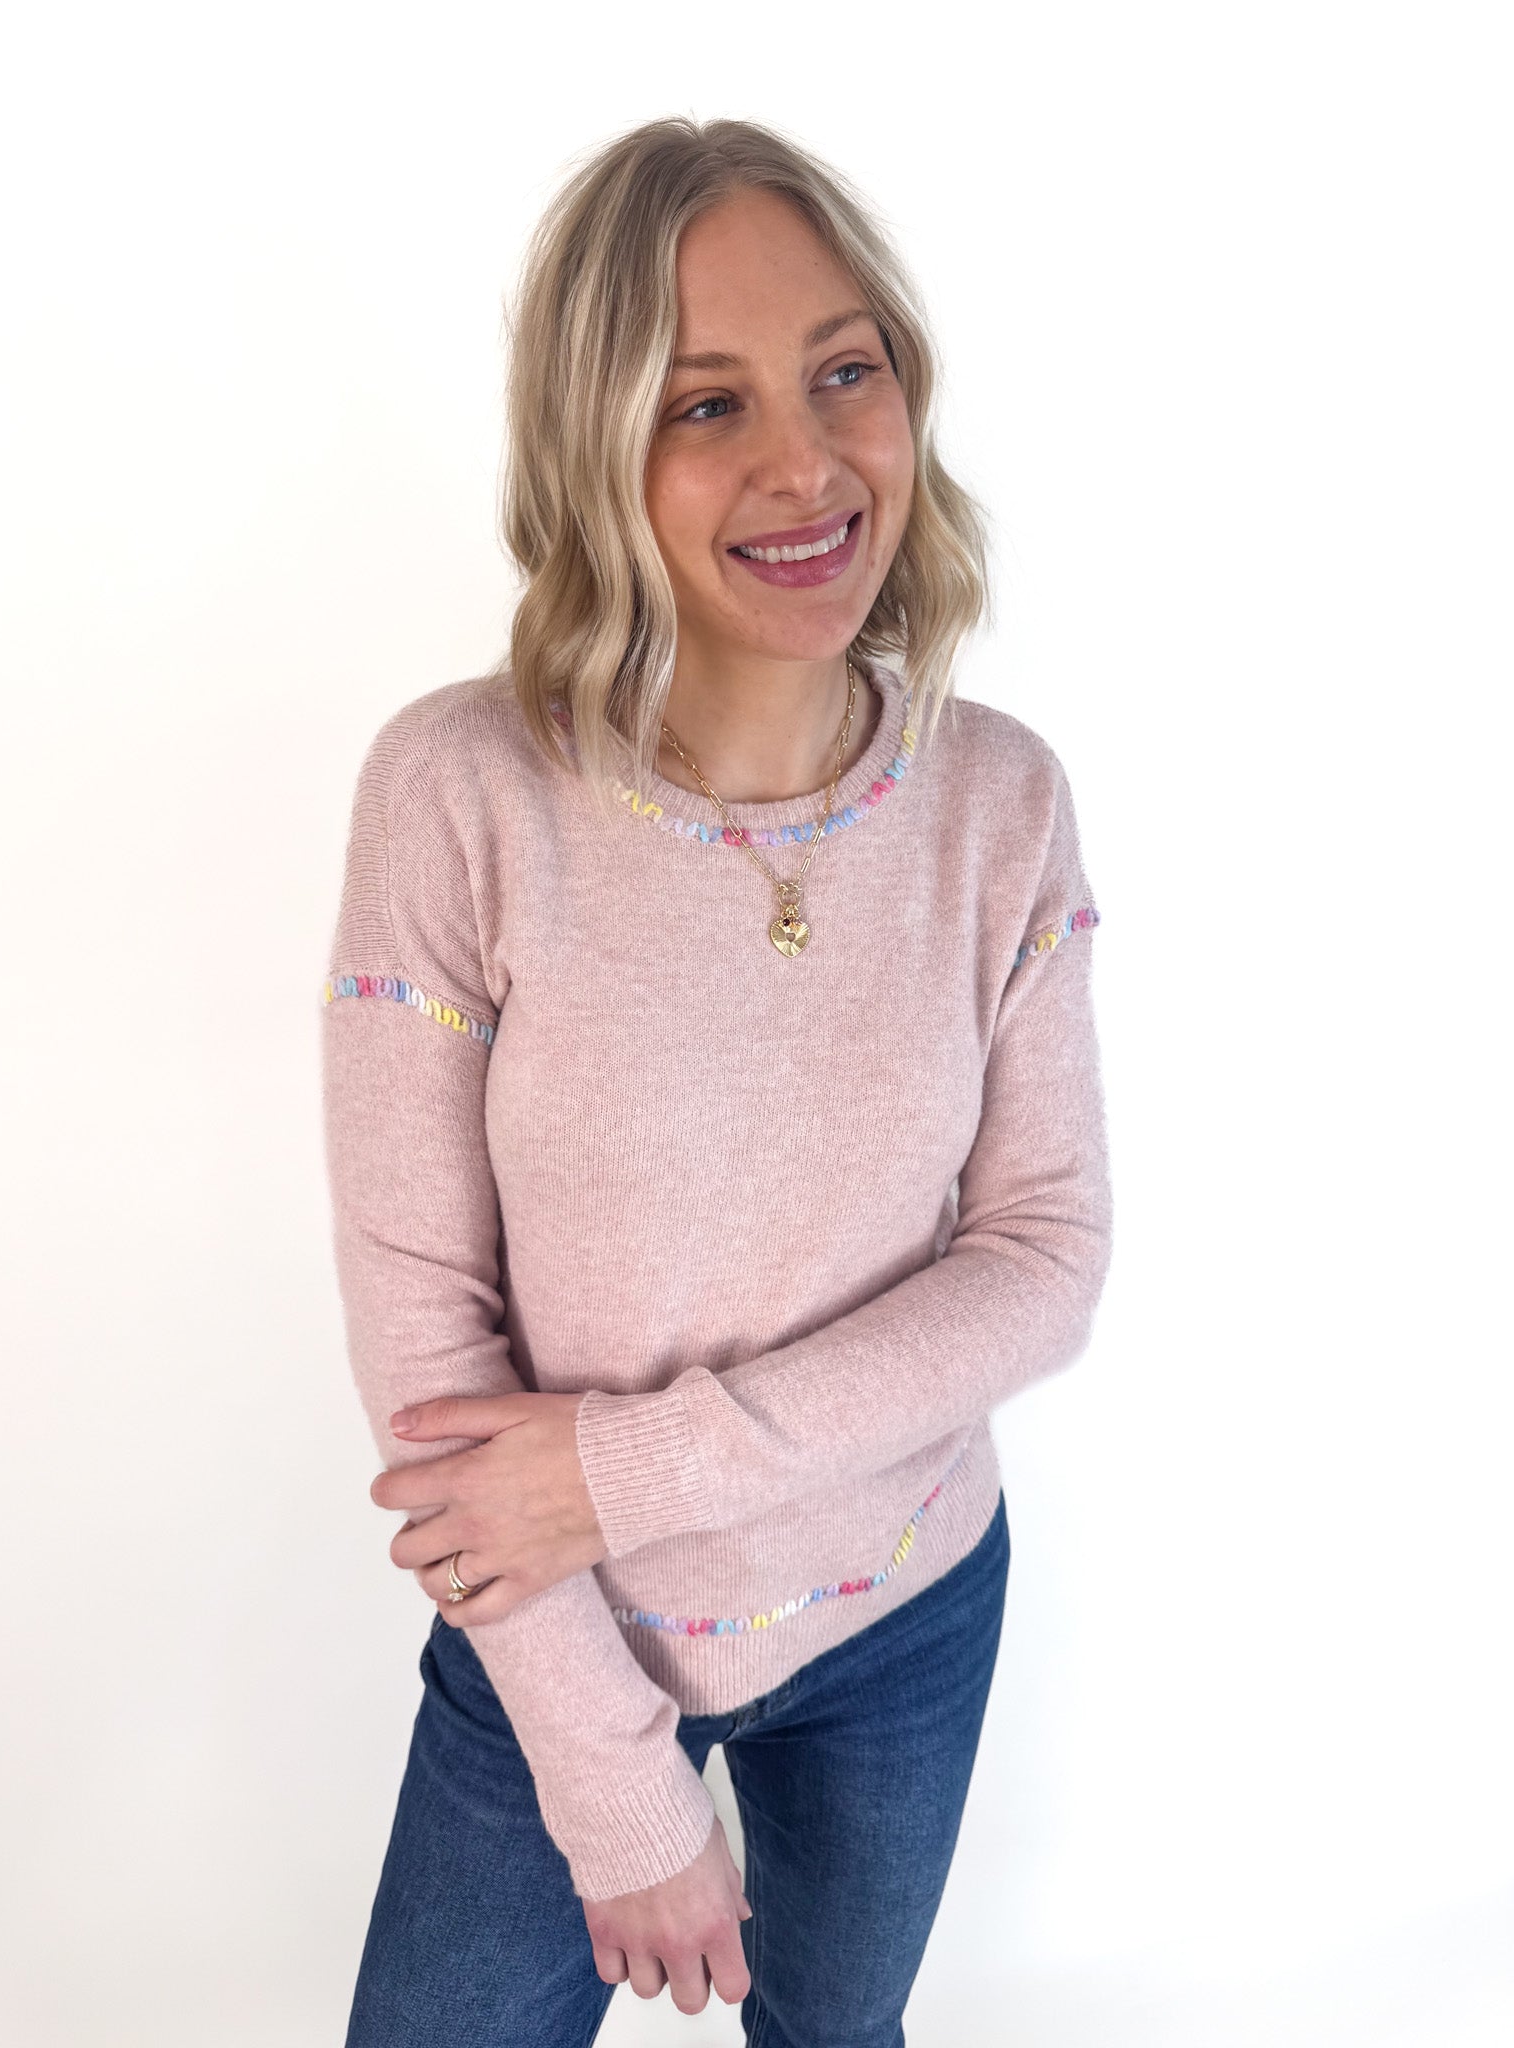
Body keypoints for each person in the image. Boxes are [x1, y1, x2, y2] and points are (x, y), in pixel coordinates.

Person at [319, 114, 1112, 2046]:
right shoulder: (461, 794)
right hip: (556, 1645)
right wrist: (616, 1792)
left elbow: (1045, 1259)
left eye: (847, 370)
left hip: (907, 1605)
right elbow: (427, 1347)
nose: (805, 461)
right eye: (705, 405)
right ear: (594, 451)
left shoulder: (1000, 802)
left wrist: (622, 1470)